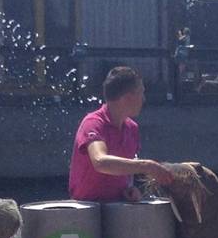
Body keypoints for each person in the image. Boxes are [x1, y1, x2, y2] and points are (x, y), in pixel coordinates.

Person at [69, 66, 174, 202]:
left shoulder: (132, 128)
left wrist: (130, 189)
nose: (144, 99)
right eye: (141, 93)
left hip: (118, 209)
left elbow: (126, 173)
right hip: (88, 212)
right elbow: (100, 162)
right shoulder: (93, 123)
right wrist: (147, 166)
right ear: (126, 98)